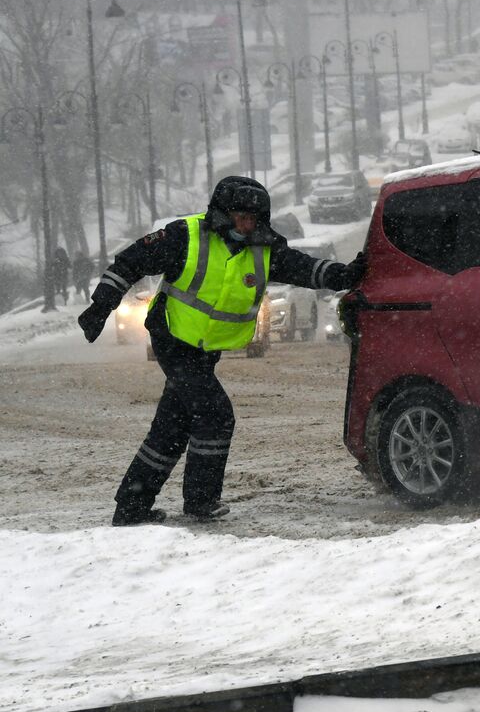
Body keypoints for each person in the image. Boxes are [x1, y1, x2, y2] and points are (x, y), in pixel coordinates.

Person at [77, 176, 366, 526]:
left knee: (173, 426)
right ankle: (200, 501)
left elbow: (303, 268)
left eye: (254, 219)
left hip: (205, 351)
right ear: (222, 213)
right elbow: (131, 262)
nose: (247, 225)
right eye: (241, 216)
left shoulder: (263, 250)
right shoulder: (185, 235)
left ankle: (131, 507)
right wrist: (101, 306)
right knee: (216, 416)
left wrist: (344, 275)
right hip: (172, 340)